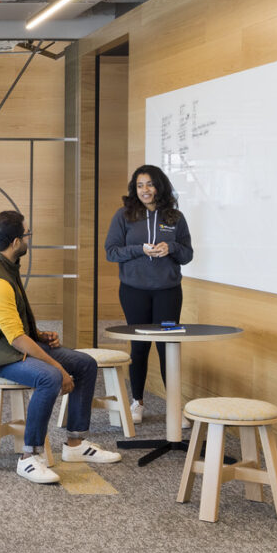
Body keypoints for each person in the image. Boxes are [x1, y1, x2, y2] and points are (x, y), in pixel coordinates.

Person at [0, 210, 121, 485]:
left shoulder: (5, 266)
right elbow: (14, 338)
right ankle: (28, 457)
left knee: (85, 363)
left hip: (9, 345)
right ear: (15, 242)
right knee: (49, 377)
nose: (28, 239)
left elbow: (15, 327)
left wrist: (39, 336)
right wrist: (57, 367)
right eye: (27, 235)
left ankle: (75, 443)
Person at [104, 164, 194, 424]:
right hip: (134, 292)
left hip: (168, 293)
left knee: (168, 347)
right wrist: (139, 250)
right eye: (141, 185)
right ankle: (137, 402)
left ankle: (174, 407)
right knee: (140, 346)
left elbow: (187, 255)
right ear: (135, 188)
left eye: (150, 184)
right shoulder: (124, 215)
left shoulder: (175, 217)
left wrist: (172, 247)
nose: (146, 190)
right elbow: (111, 252)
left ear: (159, 187)